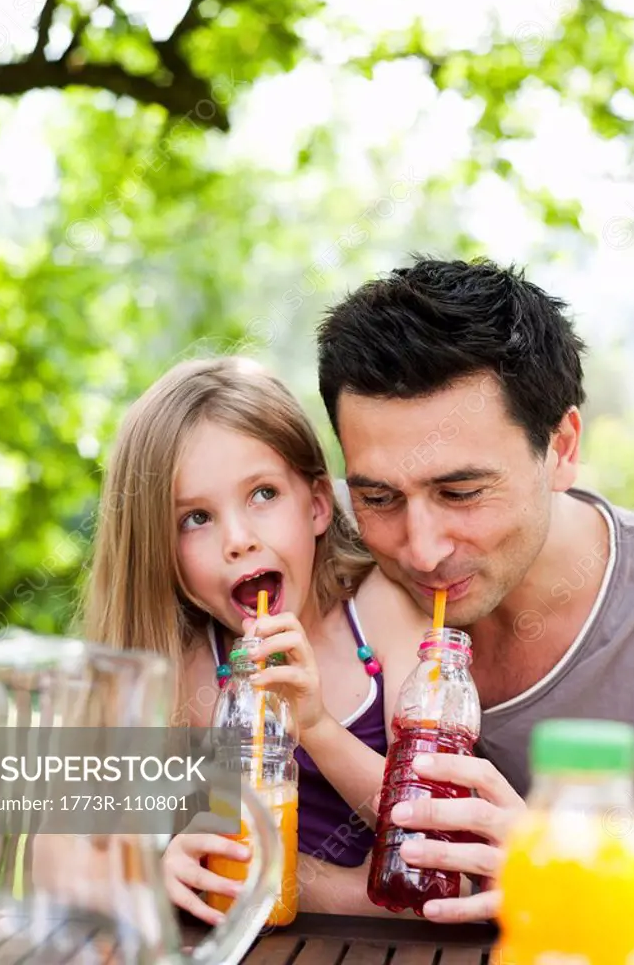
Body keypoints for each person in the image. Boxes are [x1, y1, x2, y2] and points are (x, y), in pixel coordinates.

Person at [315, 256, 634, 923]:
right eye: (377, 496)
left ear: (561, 447)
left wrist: (554, 872)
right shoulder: (318, 562)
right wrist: (136, 838)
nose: (420, 549)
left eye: (460, 492)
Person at [83, 356, 425, 922]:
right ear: (160, 552)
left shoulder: (383, 612)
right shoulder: (185, 669)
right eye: (195, 518)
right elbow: (55, 848)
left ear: (316, 504)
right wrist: (144, 867)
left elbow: (430, 838)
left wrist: (315, 728)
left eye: (263, 494)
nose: (238, 540)